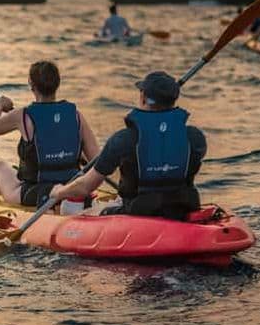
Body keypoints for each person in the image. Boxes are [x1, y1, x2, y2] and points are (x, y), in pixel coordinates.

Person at [50, 71, 206, 220]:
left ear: (143, 98)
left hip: (139, 212)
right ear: (173, 100)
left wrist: (59, 192)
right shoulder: (195, 137)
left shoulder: (124, 139)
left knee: (85, 212)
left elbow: (85, 187)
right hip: (183, 209)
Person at [0, 61, 100, 207]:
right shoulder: (75, 115)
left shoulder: (23, 115)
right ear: (57, 83)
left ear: (31, 84)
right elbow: (97, 161)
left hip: (38, 193)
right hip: (72, 189)